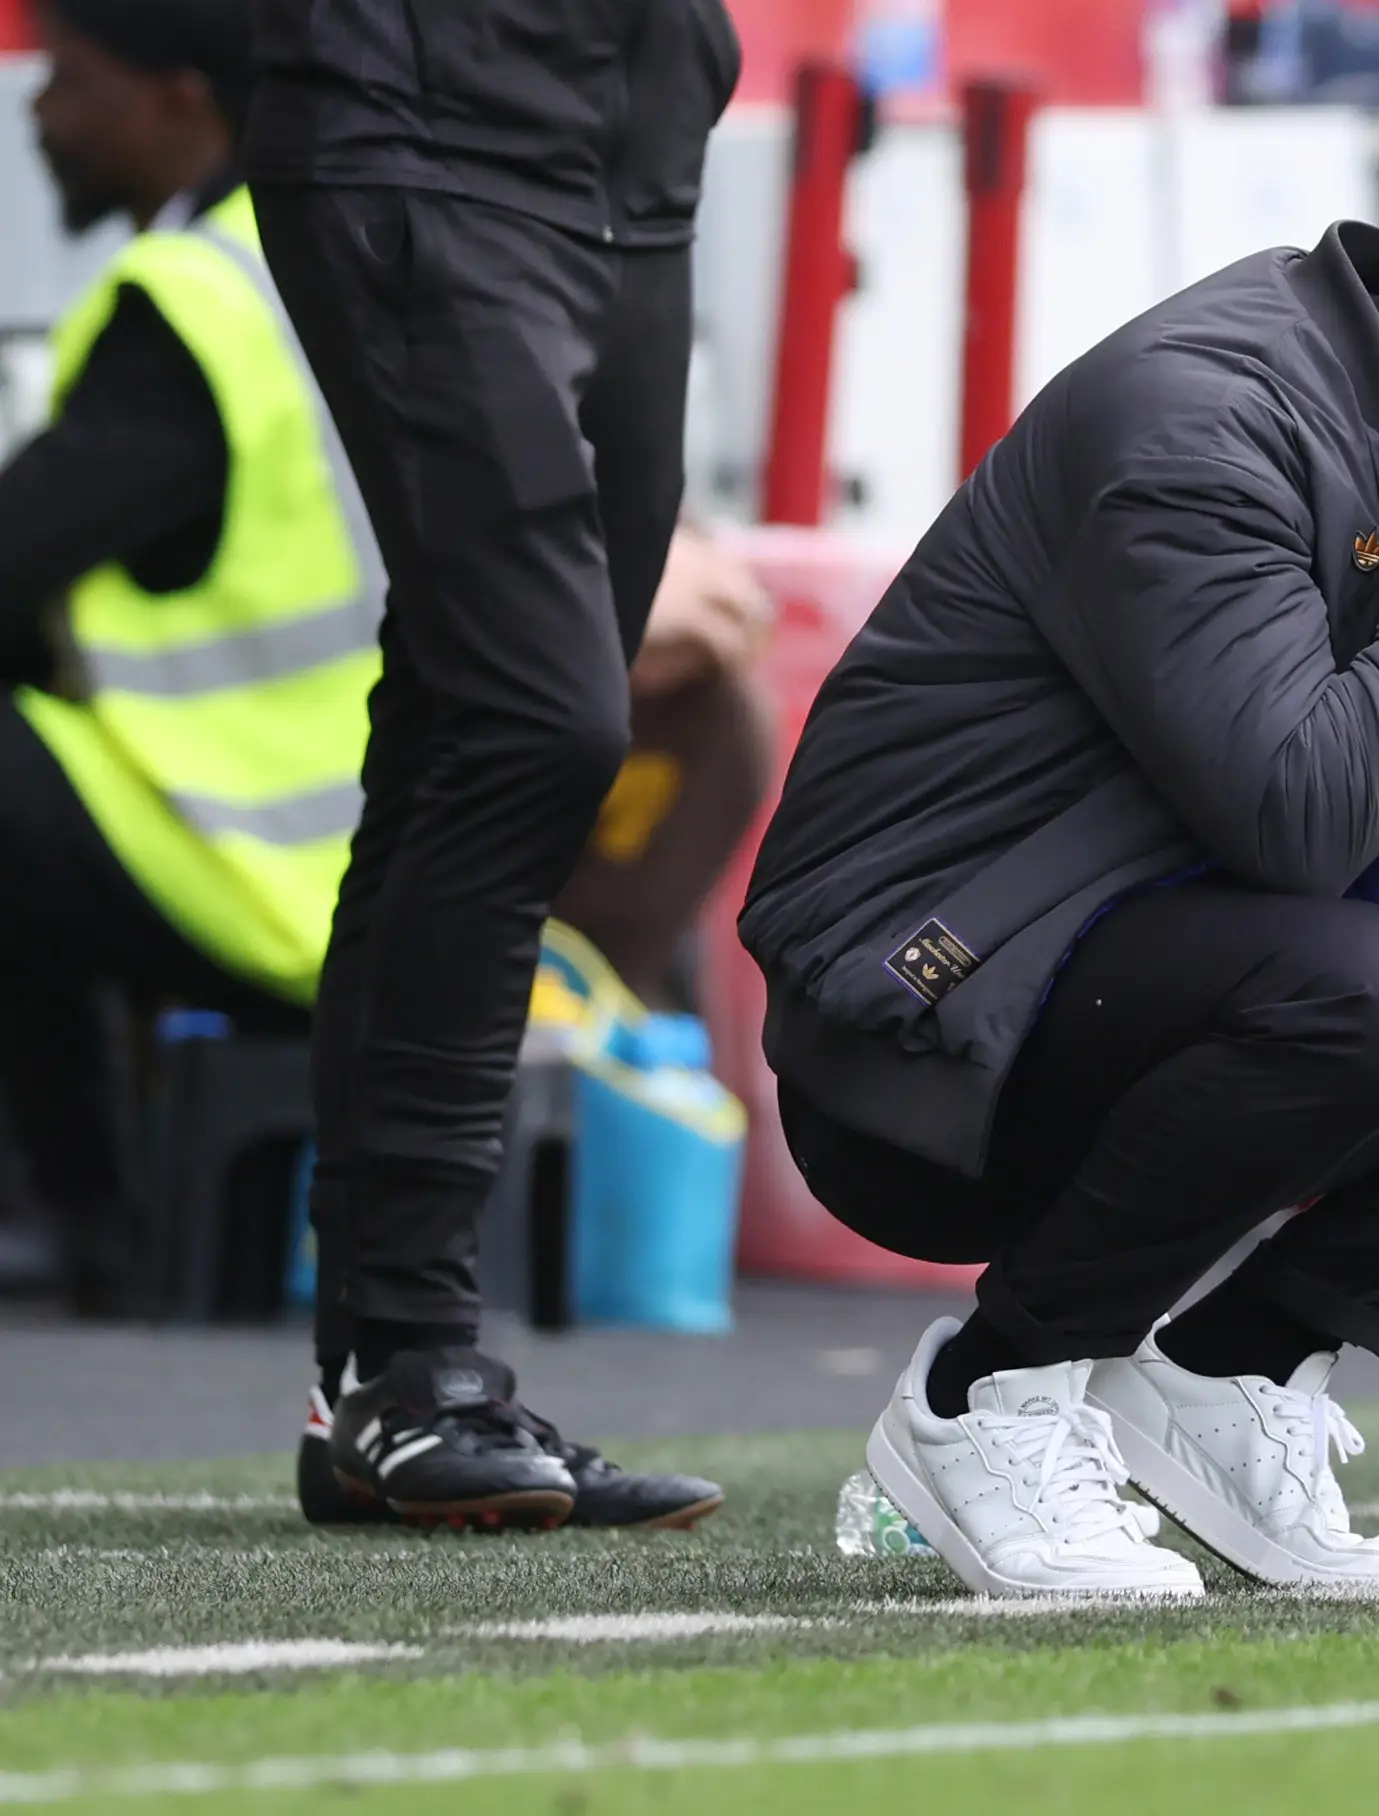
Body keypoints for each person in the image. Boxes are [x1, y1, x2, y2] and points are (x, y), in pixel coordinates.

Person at [742, 224, 1379, 1597]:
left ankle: (1226, 1374)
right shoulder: (1204, 417)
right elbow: (1300, 818)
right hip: (931, 1042)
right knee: (1366, 986)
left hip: (1198, 972)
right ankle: (985, 1396)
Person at [244, 0, 737, 1530]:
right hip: (420, 115)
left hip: (635, 141)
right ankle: (411, 1351)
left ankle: (377, 1381)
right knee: (537, 717)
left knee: (476, 719)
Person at [0, 0, 366, 1315]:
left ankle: (74, 1207)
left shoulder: (197, 302)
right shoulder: (327, 258)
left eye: (69, 80)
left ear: (180, 102)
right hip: (376, 868)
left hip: (256, 872)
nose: (40, 112)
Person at [551, 516, 775, 1013]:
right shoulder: (544, 676)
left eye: (680, 654)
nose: (653, 671)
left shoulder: (730, 734)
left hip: (602, 980)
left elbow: (642, 918)